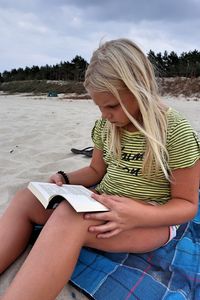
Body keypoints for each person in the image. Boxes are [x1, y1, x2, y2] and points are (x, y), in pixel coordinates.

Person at [0, 38, 199, 300]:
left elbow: (186, 204)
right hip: (103, 203)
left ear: (140, 88)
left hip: (150, 219)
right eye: (99, 106)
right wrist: (65, 178)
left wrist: (136, 214)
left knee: (71, 217)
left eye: (112, 106)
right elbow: (95, 172)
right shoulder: (106, 127)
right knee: (27, 196)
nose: (105, 114)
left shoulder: (175, 132)